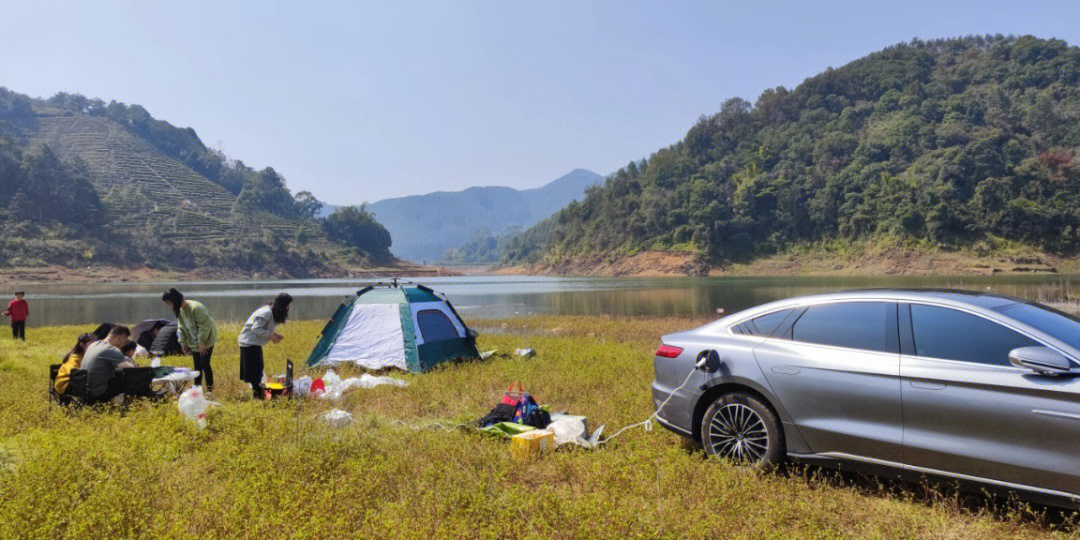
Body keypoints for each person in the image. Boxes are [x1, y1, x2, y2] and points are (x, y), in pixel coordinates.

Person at [162, 288, 218, 391]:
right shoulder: (180, 311)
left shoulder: (195, 308)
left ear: (175, 300)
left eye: (169, 304)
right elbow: (181, 327)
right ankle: (197, 389)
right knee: (197, 366)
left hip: (206, 340)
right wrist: (183, 343)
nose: (169, 307)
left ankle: (210, 390)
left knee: (205, 364)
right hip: (194, 341)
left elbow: (205, 325)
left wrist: (202, 342)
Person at [238, 293, 292, 399]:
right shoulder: (266, 313)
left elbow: (264, 328)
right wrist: (270, 335)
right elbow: (256, 329)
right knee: (255, 372)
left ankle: (258, 395)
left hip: (253, 343)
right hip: (248, 343)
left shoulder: (271, 312)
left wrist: (274, 335)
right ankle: (258, 396)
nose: (288, 309)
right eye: (287, 306)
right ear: (283, 305)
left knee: (258, 370)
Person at [81, 325, 136, 404]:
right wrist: (136, 366)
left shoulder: (93, 345)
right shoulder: (111, 349)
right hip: (98, 392)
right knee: (131, 377)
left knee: (118, 373)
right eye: (125, 341)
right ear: (120, 337)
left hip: (85, 390)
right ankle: (133, 404)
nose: (124, 344)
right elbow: (130, 369)